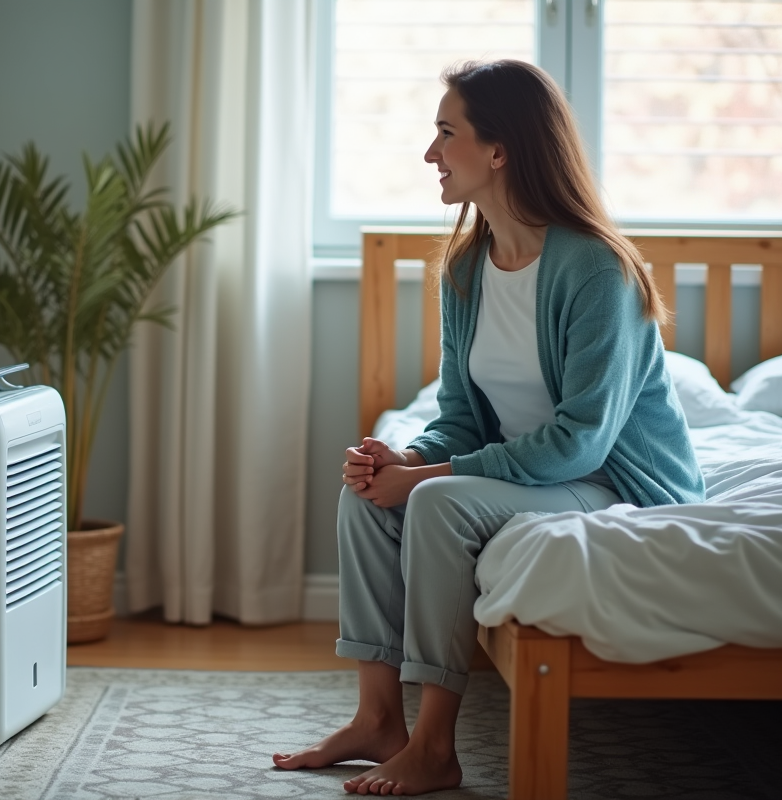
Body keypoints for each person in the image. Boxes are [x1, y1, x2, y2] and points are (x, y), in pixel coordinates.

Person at [272, 59, 705, 796]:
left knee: (434, 501)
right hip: (540, 475)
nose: (430, 153)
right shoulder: (467, 267)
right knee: (370, 493)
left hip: (613, 482)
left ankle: (436, 745)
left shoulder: (598, 270)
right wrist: (402, 457)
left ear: (499, 150)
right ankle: (378, 718)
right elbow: (462, 419)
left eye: (446, 133)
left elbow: (581, 441)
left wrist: (429, 479)